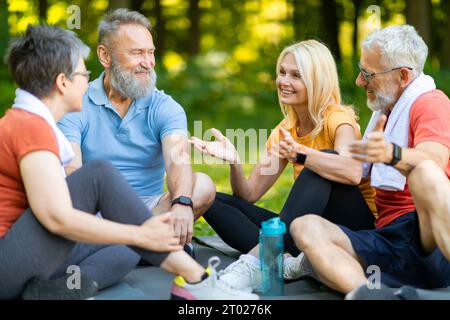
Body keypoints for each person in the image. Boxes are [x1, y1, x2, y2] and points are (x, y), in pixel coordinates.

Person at [0, 24, 258, 300]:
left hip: (30, 260)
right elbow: (56, 215)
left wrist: (137, 236)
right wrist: (139, 234)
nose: (88, 81)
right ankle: (197, 280)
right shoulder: (30, 128)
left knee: (127, 250)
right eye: (82, 74)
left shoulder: (31, 123)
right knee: (99, 176)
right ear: (63, 82)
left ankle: (57, 292)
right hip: (10, 263)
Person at [189, 39, 377, 292]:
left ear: (316, 80)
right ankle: (285, 262)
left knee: (322, 161)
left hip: (356, 230)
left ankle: (256, 263)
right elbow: (249, 195)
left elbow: (352, 171)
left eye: (296, 75)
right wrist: (234, 161)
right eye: (282, 72)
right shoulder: (285, 130)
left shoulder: (339, 119)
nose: (283, 81)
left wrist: (302, 154)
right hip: (307, 226)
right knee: (210, 197)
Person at [288, 25, 450, 296]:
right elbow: (353, 171)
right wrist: (301, 154)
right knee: (303, 226)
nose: (359, 82)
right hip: (387, 238)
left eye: (367, 74)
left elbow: (434, 159)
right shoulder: (385, 112)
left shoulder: (430, 103)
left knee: (425, 173)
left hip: (427, 234)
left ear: (402, 76)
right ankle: (370, 294)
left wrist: (391, 154)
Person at [57, 9, 215, 256]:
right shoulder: (77, 102)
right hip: (97, 211)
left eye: (150, 52)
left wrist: (182, 203)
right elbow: (73, 176)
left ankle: (126, 247)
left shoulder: (164, 107)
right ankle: (143, 246)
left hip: (151, 209)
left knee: (202, 185)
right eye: (137, 52)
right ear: (105, 55)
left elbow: (178, 162)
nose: (148, 62)